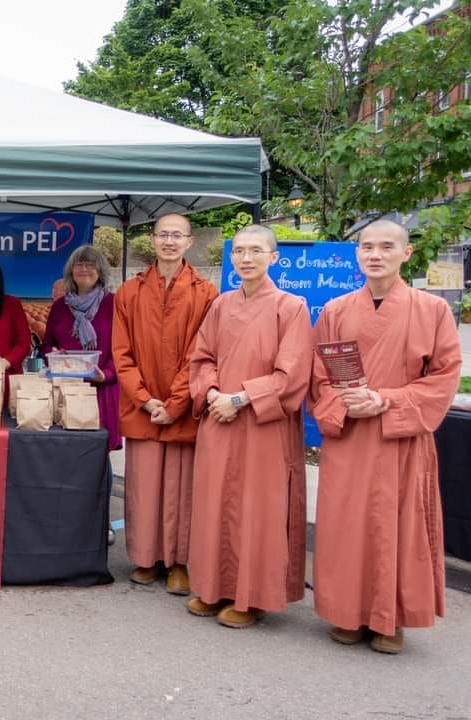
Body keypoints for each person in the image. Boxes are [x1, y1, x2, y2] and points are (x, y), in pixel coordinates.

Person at [309, 219, 461, 654]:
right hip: (351, 433)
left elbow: (445, 376)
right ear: (357, 254)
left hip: (400, 437)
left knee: (395, 524)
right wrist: (346, 402)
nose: (375, 254)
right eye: (367, 247)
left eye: (386, 247)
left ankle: (388, 617)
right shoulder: (336, 310)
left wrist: (386, 399)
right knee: (346, 524)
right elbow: (319, 374)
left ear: (406, 253)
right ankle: (347, 611)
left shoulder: (431, 310)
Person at [186, 224, 312, 629]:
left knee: (257, 508)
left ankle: (252, 596)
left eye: (256, 250)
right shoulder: (221, 304)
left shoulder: (291, 307)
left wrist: (239, 398)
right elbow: (201, 358)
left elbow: (292, 375)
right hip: (219, 420)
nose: (246, 258)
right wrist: (209, 395)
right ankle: (213, 587)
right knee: (215, 503)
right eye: (239, 251)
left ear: (274, 257)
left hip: (262, 425)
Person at [112, 213, 218, 593]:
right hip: (142, 405)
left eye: (177, 235)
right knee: (143, 485)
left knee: (180, 489)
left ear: (190, 242)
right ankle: (145, 558)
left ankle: (179, 561)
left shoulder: (207, 293)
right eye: (163, 235)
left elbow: (201, 354)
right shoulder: (129, 292)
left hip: (183, 406)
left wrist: (173, 403)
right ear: (152, 240)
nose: (169, 241)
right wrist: (143, 399)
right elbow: (120, 354)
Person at [41, 245, 122, 450]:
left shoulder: (114, 304)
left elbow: (124, 348)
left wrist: (106, 374)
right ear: (71, 271)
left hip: (101, 390)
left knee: (98, 455)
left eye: (90, 264)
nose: (84, 269)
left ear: (101, 271)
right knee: (65, 450)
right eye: (79, 264)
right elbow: (47, 343)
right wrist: (53, 354)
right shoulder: (60, 306)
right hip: (65, 389)